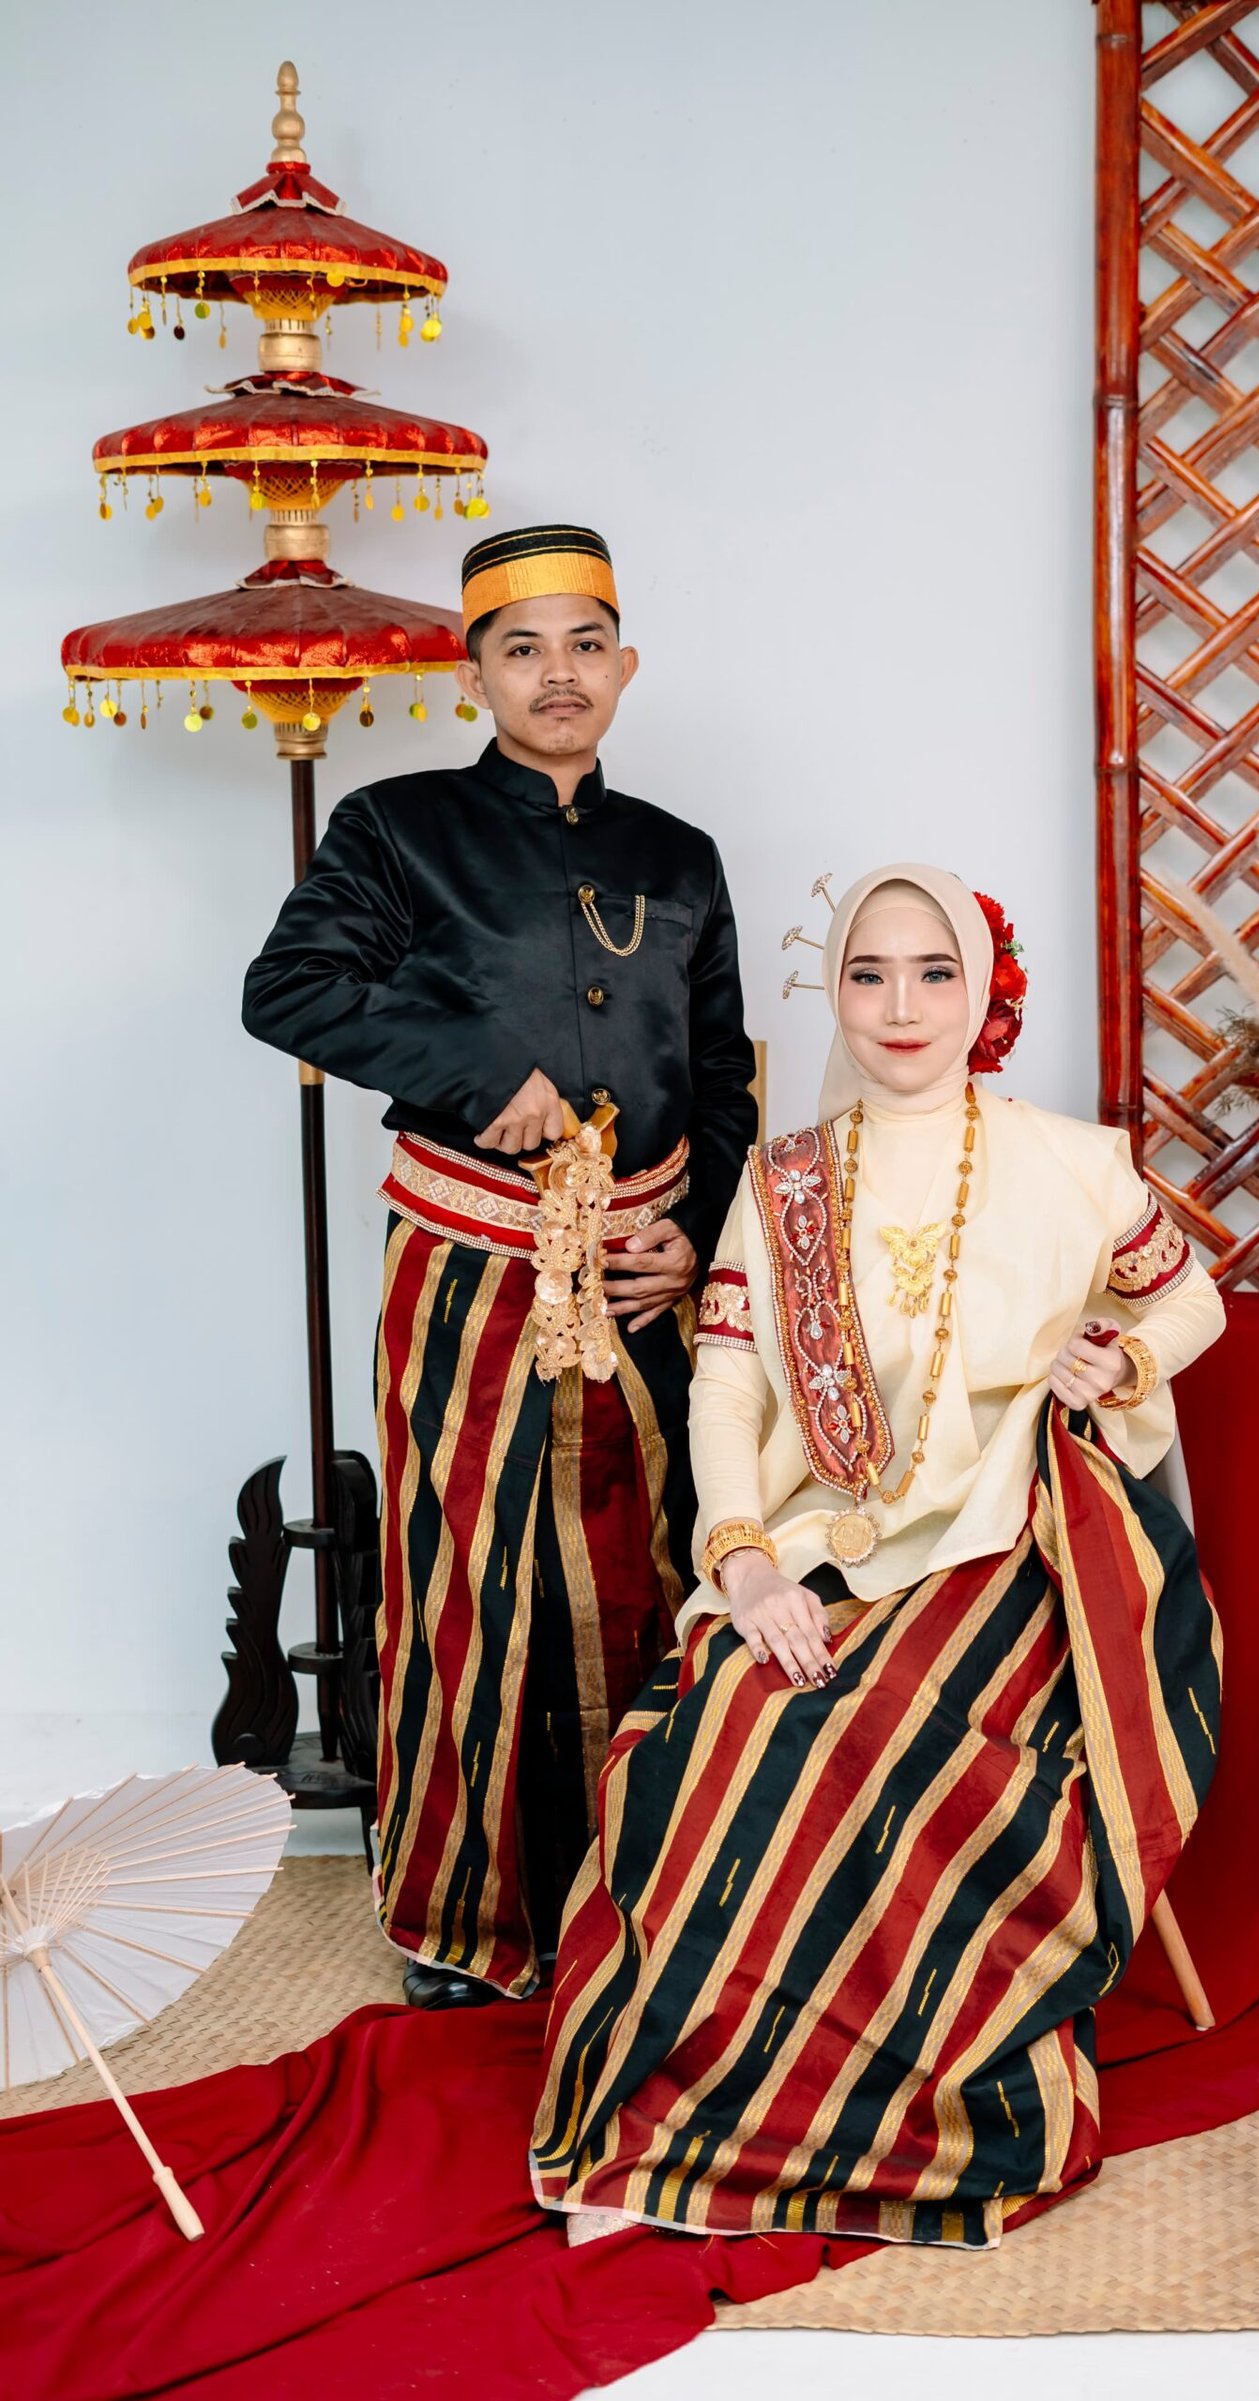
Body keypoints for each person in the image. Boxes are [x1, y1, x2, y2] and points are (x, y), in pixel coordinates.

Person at [528, 863, 1226, 2247]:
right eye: (868, 974)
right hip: (820, 1540)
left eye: (933, 973)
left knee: (867, 1730)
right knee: (728, 1721)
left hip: (1025, 1541)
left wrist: (1125, 1357)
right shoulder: (784, 1179)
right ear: (836, 993)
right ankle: (677, 2122)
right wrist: (743, 1565)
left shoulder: (1074, 1161)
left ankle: (912, 2131)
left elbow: (1191, 1296)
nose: (901, 1005)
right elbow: (728, 1378)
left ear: (982, 992)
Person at [241, 524, 758, 2008]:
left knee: (650, 1559)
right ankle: (460, 1919)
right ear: (475, 674)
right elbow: (286, 988)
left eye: (585, 645)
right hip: (470, 1266)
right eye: (523, 650)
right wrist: (476, 1074)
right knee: (471, 1573)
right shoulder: (396, 829)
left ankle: (641, 1889)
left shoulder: (680, 855)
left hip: (642, 1267)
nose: (558, 675)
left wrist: (696, 1229)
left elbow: (722, 1074)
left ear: (626, 665)